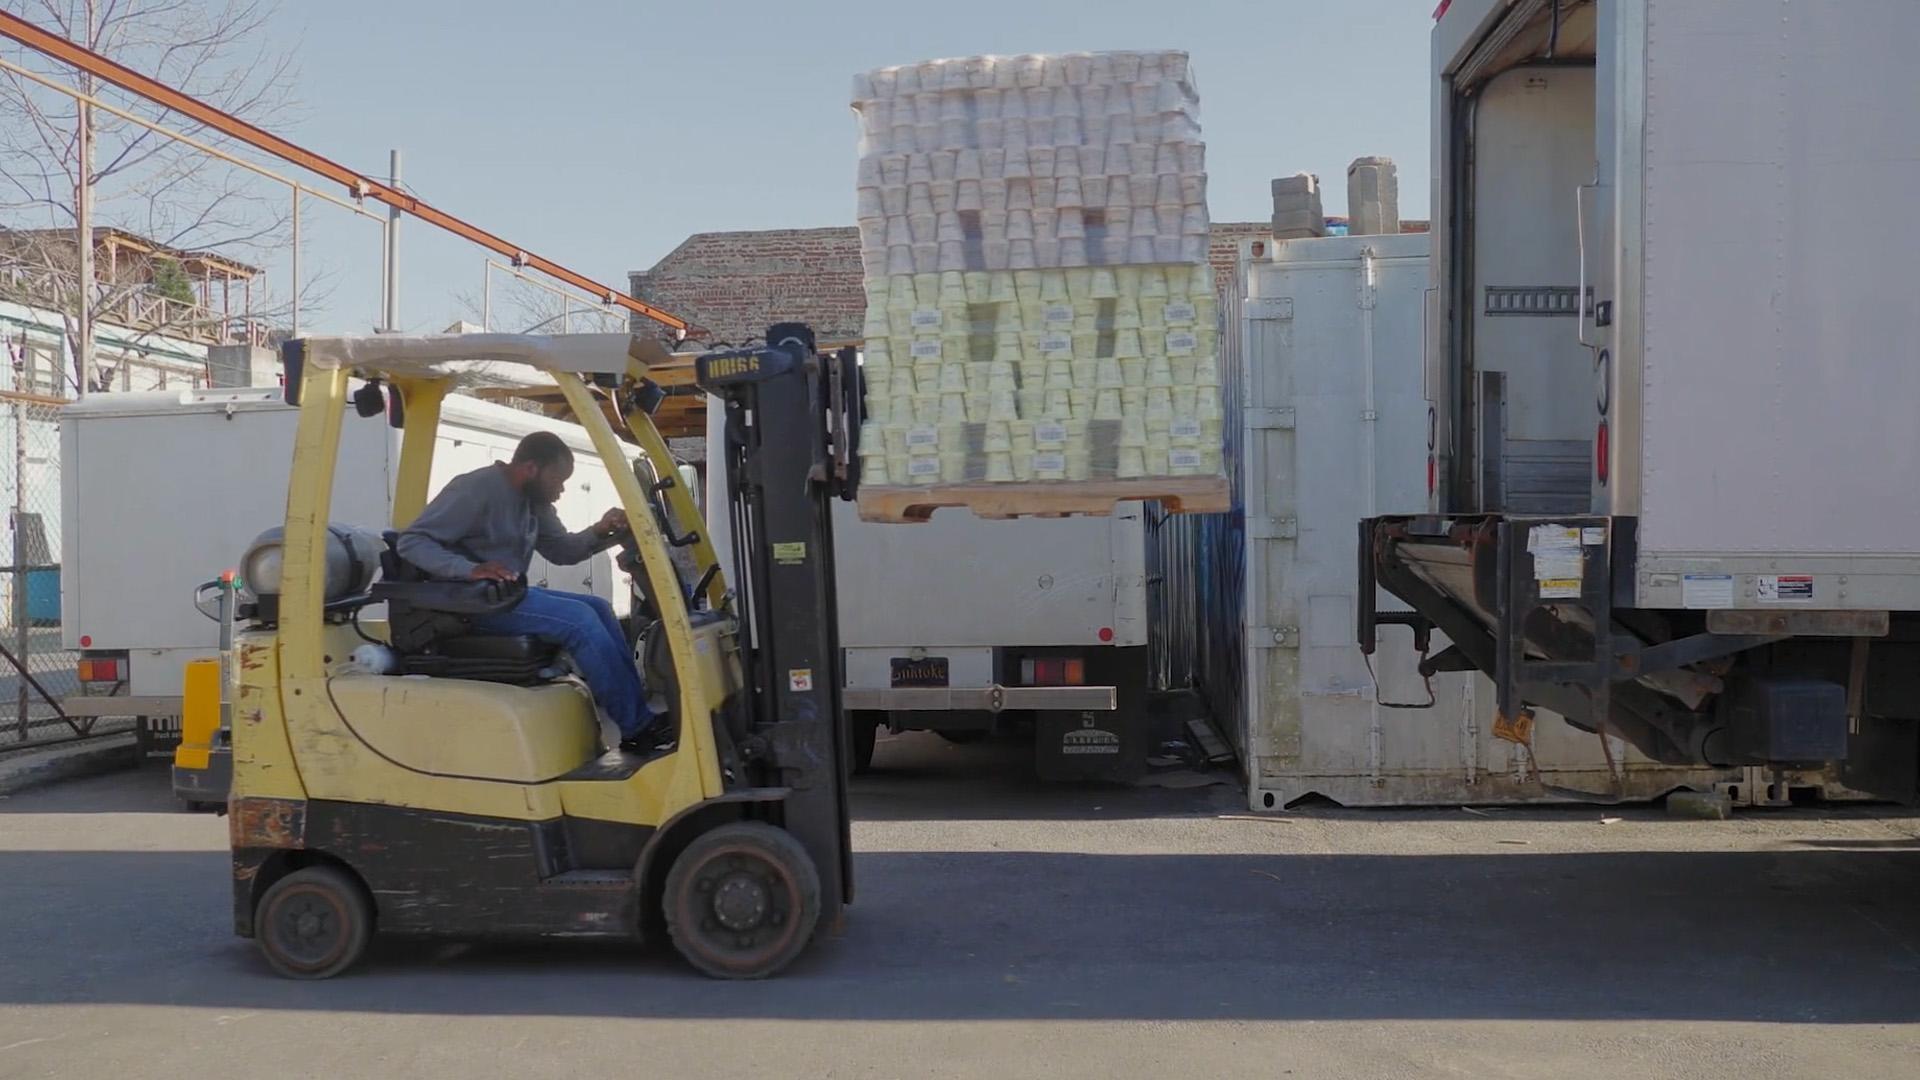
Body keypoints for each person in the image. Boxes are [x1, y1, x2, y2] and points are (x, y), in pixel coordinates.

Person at [396, 431, 667, 754]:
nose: (562, 489)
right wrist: (468, 570)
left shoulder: (534, 503)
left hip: (503, 597)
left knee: (598, 607)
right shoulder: (476, 488)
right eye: (558, 479)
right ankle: (637, 726)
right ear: (530, 468)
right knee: (579, 620)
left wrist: (602, 531)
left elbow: (563, 552)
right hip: (467, 605)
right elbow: (411, 541)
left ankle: (637, 716)